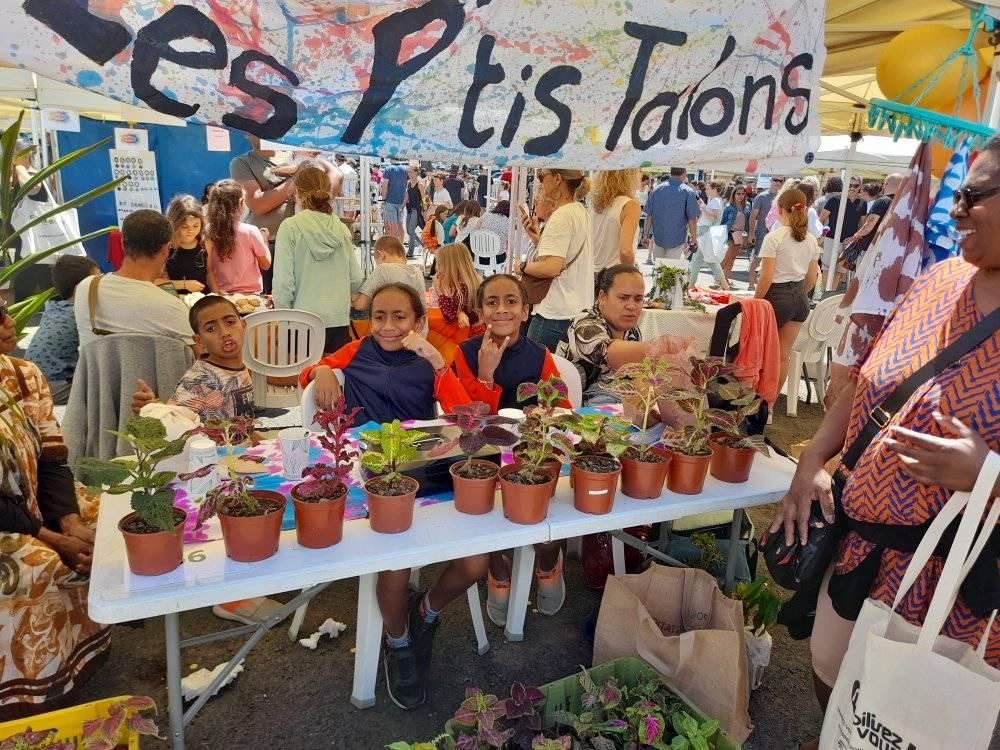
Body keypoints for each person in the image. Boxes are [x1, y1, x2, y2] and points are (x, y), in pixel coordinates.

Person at [771, 137, 1000, 750]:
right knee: (833, 686)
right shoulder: (939, 279)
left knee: (912, 722)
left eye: (974, 197)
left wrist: (989, 474)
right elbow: (870, 379)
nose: (955, 210)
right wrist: (813, 458)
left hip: (956, 577)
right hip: (863, 543)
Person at [131, 296, 281, 627]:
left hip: (238, 456)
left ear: (243, 325)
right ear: (198, 341)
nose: (225, 332)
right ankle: (230, 597)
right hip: (211, 470)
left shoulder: (239, 367)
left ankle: (253, 572)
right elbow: (176, 419)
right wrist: (152, 408)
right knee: (231, 521)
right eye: (211, 328)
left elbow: (238, 415)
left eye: (230, 322)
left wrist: (254, 439)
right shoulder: (201, 378)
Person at [0, 350, 110, 720]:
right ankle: (28, 699)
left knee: (105, 521)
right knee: (34, 565)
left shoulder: (21, 373)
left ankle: (77, 656)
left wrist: (69, 522)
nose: (6, 324)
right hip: (8, 519)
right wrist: (50, 537)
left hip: (30, 501)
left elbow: (51, 457)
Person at [74, 210, 195, 353]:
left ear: (122, 244)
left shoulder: (86, 288)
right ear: (165, 249)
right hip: (150, 375)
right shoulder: (171, 307)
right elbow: (199, 359)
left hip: (97, 375)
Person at [272, 166, 363, 355]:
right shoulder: (341, 228)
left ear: (297, 192)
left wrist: (281, 318)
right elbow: (355, 279)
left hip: (300, 322)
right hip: (338, 321)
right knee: (334, 381)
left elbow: (283, 284)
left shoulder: (290, 227)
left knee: (301, 381)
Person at [452, 274, 567, 413]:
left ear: (525, 311)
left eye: (511, 301)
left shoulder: (540, 354)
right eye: (492, 303)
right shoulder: (465, 352)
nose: (501, 309)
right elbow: (472, 417)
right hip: (483, 433)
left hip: (529, 432)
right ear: (480, 314)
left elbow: (562, 410)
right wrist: (485, 375)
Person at [519, 169, 595, 352]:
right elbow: (563, 258)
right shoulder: (579, 210)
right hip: (575, 308)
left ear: (557, 178)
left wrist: (522, 266)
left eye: (541, 176)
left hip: (553, 311)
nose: (540, 182)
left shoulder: (561, 215)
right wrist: (537, 240)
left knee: (538, 375)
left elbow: (551, 267)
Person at [754, 188, 820, 391]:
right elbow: (812, 278)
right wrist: (799, 291)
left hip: (776, 295)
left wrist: (755, 301)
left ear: (780, 209)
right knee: (783, 355)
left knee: (762, 354)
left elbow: (766, 277)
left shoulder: (774, 237)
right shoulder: (810, 239)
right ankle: (770, 404)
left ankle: (758, 401)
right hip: (799, 297)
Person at [557, 264, 649, 405]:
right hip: (573, 414)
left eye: (638, 299)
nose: (631, 306)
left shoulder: (632, 332)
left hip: (613, 410)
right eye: (623, 298)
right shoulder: (584, 325)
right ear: (602, 297)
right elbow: (608, 352)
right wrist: (658, 348)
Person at [25, 255, 99, 405]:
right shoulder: (81, 314)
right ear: (81, 287)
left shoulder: (54, 305)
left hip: (31, 380)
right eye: (96, 281)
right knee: (103, 389)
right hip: (53, 387)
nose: (101, 285)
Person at [229, 136, 295, 294]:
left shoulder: (295, 155)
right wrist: (295, 180)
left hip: (298, 243)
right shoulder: (242, 163)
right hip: (268, 244)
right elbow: (257, 204)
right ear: (245, 133)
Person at [204, 179, 272, 294]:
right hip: (251, 297)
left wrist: (217, 293)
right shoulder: (251, 231)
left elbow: (208, 269)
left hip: (222, 294)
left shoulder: (208, 230)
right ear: (240, 203)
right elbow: (265, 264)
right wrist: (265, 241)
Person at [352, 236, 426, 316]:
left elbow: (361, 305)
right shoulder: (417, 271)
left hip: (393, 326)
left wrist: (354, 298)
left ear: (381, 255)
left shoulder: (383, 269)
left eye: (377, 261)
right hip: (419, 327)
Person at [640, 167, 700, 260]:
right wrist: (694, 237)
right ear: (684, 173)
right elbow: (692, 218)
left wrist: (645, 235)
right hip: (677, 237)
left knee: (658, 269)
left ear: (671, 173)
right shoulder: (688, 191)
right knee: (671, 269)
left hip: (658, 236)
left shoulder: (657, 189)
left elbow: (649, 214)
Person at [590, 169, 641, 273]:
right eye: (639, 170)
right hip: (616, 276)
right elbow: (625, 252)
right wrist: (632, 275)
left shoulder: (595, 204)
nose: (641, 174)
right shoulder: (629, 205)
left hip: (592, 274)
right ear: (629, 175)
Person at [160, 195, 208, 294]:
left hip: (203, 301)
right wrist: (184, 284)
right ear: (174, 224)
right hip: (174, 302)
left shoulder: (205, 243)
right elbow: (155, 283)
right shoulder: (164, 247)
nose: (190, 230)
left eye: (196, 226)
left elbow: (211, 275)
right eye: (184, 227)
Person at [688, 181, 730, 290]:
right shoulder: (716, 200)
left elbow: (713, 217)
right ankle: (691, 284)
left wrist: (703, 207)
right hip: (705, 233)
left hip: (706, 233)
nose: (705, 191)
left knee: (709, 261)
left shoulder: (715, 201)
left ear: (715, 189)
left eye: (707, 189)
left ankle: (691, 284)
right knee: (699, 261)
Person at [747, 175, 784, 289]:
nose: (777, 182)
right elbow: (753, 216)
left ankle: (764, 284)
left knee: (774, 259)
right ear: (771, 181)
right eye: (775, 179)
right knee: (758, 256)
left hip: (778, 232)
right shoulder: (762, 197)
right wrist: (751, 233)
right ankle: (751, 284)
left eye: (780, 180)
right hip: (763, 231)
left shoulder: (783, 197)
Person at [432, 242, 480, 330]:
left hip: (465, 334)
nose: (436, 268)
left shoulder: (462, 287)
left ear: (450, 267)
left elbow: (449, 314)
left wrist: (439, 289)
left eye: (439, 264)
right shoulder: (470, 282)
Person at [720, 184, 752, 276]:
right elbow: (722, 222)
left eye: (743, 194)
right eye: (738, 193)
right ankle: (718, 277)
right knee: (727, 257)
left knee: (733, 258)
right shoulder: (728, 207)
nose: (740, 196)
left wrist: (747, 235)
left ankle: (726, 278)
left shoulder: (747, 207)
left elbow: (747, 223)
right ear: (734, 194)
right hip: (730, 233)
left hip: (739, 235)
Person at [380, 161, 408, 241]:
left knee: (392, 226)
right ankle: (401, 245)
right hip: (401, 201)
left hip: (390, 201)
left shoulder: (388, 169)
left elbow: (385, 186)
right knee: (399, 225)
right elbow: (406, 185)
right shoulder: (404, 169)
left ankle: (395, 246)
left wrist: (383, 200)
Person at [404, 167, 425, 258]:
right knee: (408, 231)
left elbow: (424, 197)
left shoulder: (420, 184)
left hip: (416, 210)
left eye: (411, 172)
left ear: (416, 173)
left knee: (411, 230)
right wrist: (402, 206)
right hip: (409, 209)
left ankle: (410, 251)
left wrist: (424, 208)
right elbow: (407, 197)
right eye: (408, 172)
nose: (409, 174)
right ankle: (422, 242)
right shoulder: (408, 184)